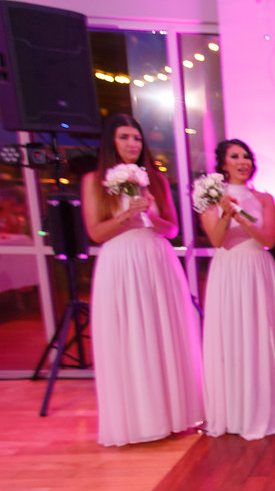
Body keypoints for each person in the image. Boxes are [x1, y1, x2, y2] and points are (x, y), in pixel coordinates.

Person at [82, 113, 203, 446]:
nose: (132, 144)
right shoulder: (94, 181)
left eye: (136, 138)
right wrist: (126, 214)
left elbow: (172, 229)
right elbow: (96, 232)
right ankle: (137, 419)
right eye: (124, 137)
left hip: (156, 260)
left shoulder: (157, 181)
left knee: (164, 332)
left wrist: (149, 212)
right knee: (130, 335)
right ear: (111, 142)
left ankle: (172, 413)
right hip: (120, 263)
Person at [199, 139, 275, 439]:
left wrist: (240, 215)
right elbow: (217, 240)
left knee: (260, 334)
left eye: (246, 156)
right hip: (228, 271)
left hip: (258, 268)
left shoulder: (265, 198)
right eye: (235, 156)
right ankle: (233, 411)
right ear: (223, 163)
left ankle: (266, 406)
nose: (242, 161)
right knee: (230, 336)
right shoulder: (211, 197)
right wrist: (225, 214)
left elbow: (268, 238)